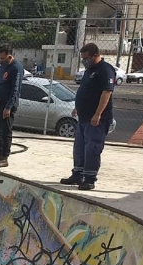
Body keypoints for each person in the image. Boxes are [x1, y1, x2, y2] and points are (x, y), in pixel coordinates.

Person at [60, 43, 116, 191]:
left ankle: (89, 178)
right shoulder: (88, 70)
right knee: (79, 148)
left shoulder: (105, 70)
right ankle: (78, 174)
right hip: (83, 118)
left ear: (95, 55)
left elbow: (106, 93)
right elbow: (85, 91)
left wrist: (97, 114)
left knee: (92, 148)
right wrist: (77, 108)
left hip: (96, 119)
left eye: (86, 58)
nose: (84, 61)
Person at [0, 43, 24, 168]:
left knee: (5, 131)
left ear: (10, 56)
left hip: (7, 104)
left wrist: (8, 107)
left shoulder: (16, 68)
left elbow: (15, 89)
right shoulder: (2, 67)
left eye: (3, 58)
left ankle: (4, 157)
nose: (0, 60)